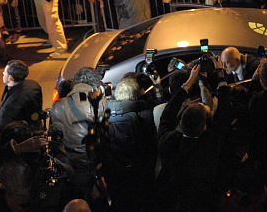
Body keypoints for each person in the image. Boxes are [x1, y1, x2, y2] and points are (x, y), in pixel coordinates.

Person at [157, 65, 231, 211]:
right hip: (204, 202)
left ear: (181, 122)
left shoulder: (167, 142)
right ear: (204, 127)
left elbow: (168, 113)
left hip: (173, 201)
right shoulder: (212, 143)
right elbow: (224, 114)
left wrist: (188, 83)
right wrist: (220, 77)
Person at [50, 67, 107, 200]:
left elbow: (55, 138)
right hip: (92, 164)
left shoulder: (59, 106)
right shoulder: (102, 103)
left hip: (69, 167)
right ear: (96, 84)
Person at [106, 77, 156, 211]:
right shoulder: (145, 116)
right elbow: (150, 147)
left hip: (115, 174)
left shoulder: (105, 117)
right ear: (136, 95)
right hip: (138, 173)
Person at [0, 60, 43, 131]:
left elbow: (2, 127)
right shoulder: (33, 85)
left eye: (4, 73)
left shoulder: (8, 109)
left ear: (10, 78)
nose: (3, 73)